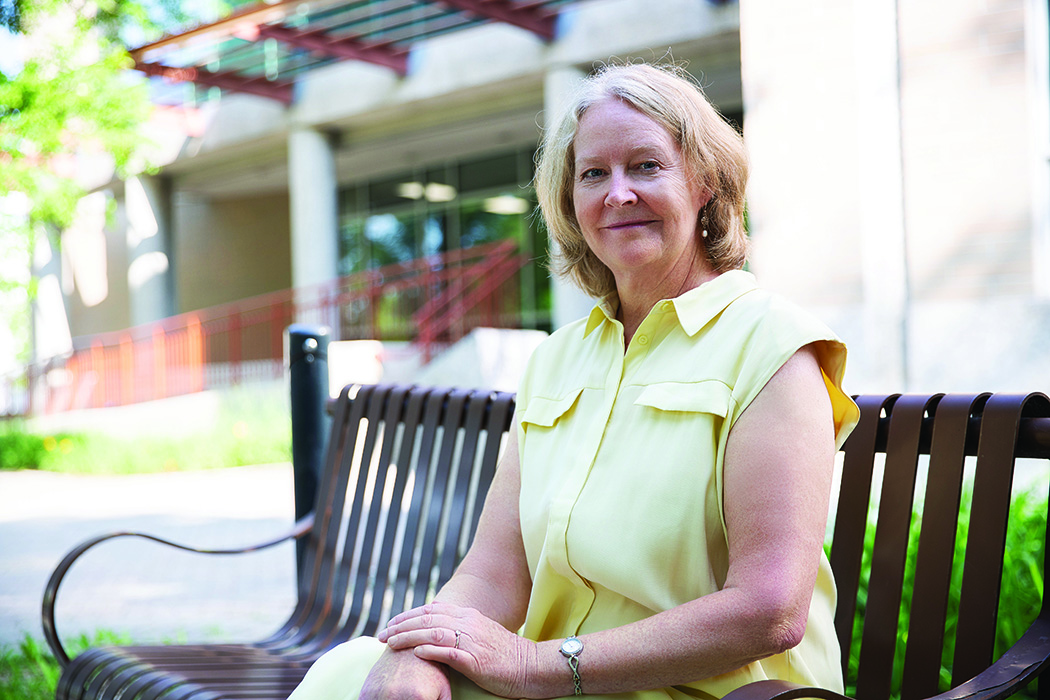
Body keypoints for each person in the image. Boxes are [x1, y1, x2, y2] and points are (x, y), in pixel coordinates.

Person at [287, 61, 859, 700]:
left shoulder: (772, 347)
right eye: (593, 174)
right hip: (563, 686)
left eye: (646, 166)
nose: (618, 194)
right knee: (352, 671)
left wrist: (539, 666)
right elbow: (495, 573)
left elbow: (769, 609)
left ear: (704, 183)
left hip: (705, 693)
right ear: (571, 202)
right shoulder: (558, 361)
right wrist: (417, 654)